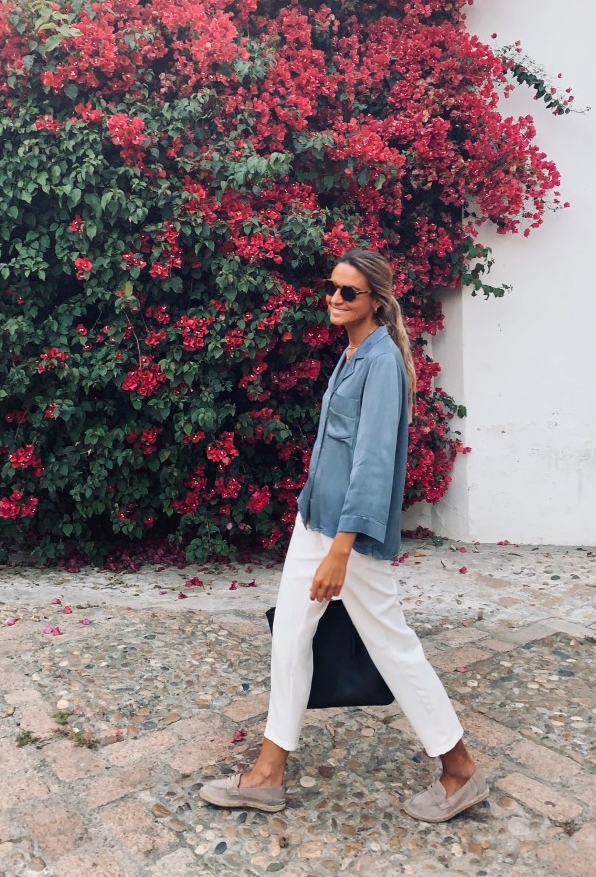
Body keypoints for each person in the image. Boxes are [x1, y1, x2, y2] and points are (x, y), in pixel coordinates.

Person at [199, 248, 488, 822]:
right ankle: (267, 775)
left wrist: (340, 550)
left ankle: (460, 771)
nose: (335, 298)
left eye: (348, 292)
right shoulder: (353, 352)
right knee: (289, 640)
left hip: (345, 537)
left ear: (375, 300)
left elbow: (372, 464)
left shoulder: (381, 362)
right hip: (316, 522)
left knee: (393, 647)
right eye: (332, 287)